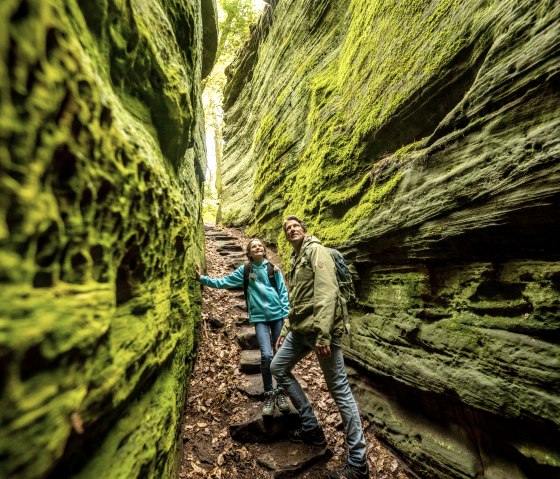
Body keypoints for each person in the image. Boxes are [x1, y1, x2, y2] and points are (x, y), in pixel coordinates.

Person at [270, 216, 369, 479]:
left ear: (304, 230)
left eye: (295, 226)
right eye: (287, 228)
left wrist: (324, 335)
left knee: (340, 391)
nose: (292, 229)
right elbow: (298, 299)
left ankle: (358, 463)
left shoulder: (315, 250)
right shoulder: (296, 257)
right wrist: (286, 329)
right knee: (277, 367)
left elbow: (327, 292)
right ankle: (311, 427)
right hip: (301, 329)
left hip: (321, 332)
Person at [196, 238, 291, 417]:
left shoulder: (273, 268)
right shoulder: (245, 270)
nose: (257, 247)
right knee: (266, 355)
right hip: (260, 318)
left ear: (263, 250)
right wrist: (203, 279)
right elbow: (224, 282)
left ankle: (281, 393)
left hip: (278, 316)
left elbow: (283, 291)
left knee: (279, 354)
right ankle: (269, 394)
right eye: (253, 246)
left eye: (260, 245)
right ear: (249, 252)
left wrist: (286, 314)